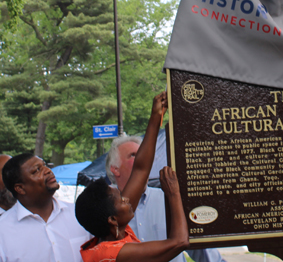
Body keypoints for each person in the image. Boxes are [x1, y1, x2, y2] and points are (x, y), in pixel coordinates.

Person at [75, 92, 189, 262]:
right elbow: (179, 242)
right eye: (121, 200)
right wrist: (173, 194)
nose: (127, 200)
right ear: (113, 220)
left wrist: (156, 116)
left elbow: (141, 171)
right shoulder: (114, 254)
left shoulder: (112, 232)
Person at [106, 136, 226, 262]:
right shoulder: (104, 209)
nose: (144, 159)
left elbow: (201, 250)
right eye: (134, 155)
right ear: (115, 169)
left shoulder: (169, 199)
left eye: (145, 154)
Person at [0, 154, 92, 261]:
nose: (48, 171)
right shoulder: (3, 231)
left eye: (44, 165)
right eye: (37, 170)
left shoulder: (80, 213)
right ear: (20, 188)